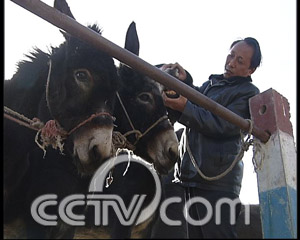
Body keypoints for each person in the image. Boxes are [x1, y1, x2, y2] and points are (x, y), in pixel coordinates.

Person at [151, 37, 261, 239]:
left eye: (240, 61)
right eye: (231, 55)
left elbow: (222, 124)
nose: (231, 63)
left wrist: (185, 108)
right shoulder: (211, 84)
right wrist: (185, 81)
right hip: (190, 176)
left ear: (250, 70)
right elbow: (195, 100)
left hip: (217, 182)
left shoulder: (248, 94)